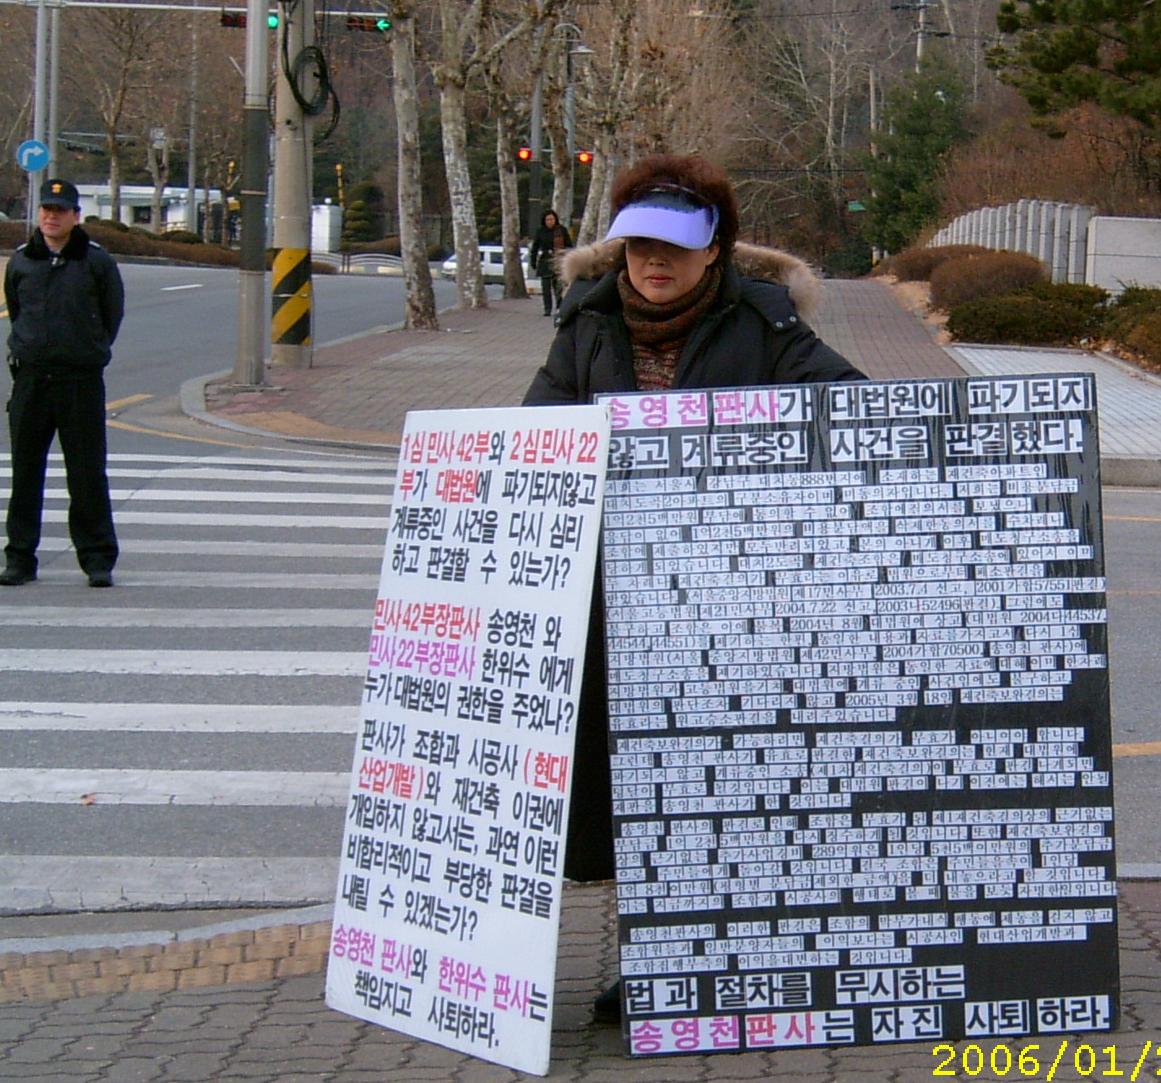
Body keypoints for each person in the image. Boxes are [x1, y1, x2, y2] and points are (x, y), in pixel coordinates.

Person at [522, 153, 866, 1022]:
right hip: (615, 609)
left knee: (714, 788)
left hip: (731, 612)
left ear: (715, 248)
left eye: (674, 246)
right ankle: (652, 960)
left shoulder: (767, 325)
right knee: (633, 789)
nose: (654, 261)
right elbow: (533, 440)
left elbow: (853, 416)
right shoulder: (586, 325)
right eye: (639, 244)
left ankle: (707, 961)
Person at [1, 178, 125, 588]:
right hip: (32, 380)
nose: (51, 217)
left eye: (60, 210)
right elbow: (16, 310)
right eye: (46, 210)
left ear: (75, 216)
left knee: (87, 473)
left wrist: (87, 349)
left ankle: (97, 558)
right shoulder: (22, 261)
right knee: (25, 472)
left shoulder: (96, 262)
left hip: (80, 381)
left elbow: (111, 315)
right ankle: (20, 557)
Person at [528, 209, 573, 319]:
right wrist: (533, 261)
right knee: (546, 287)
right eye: (547, 220)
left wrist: (563, 254)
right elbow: (535, 247)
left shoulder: (561, 230)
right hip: (545, 261)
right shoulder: (540, 231)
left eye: (552, 219)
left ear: (555, 219)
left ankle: (559, 307)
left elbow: (569, 246)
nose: (550, 222)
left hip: (559, 260)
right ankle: (547, 309)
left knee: (559, 286)